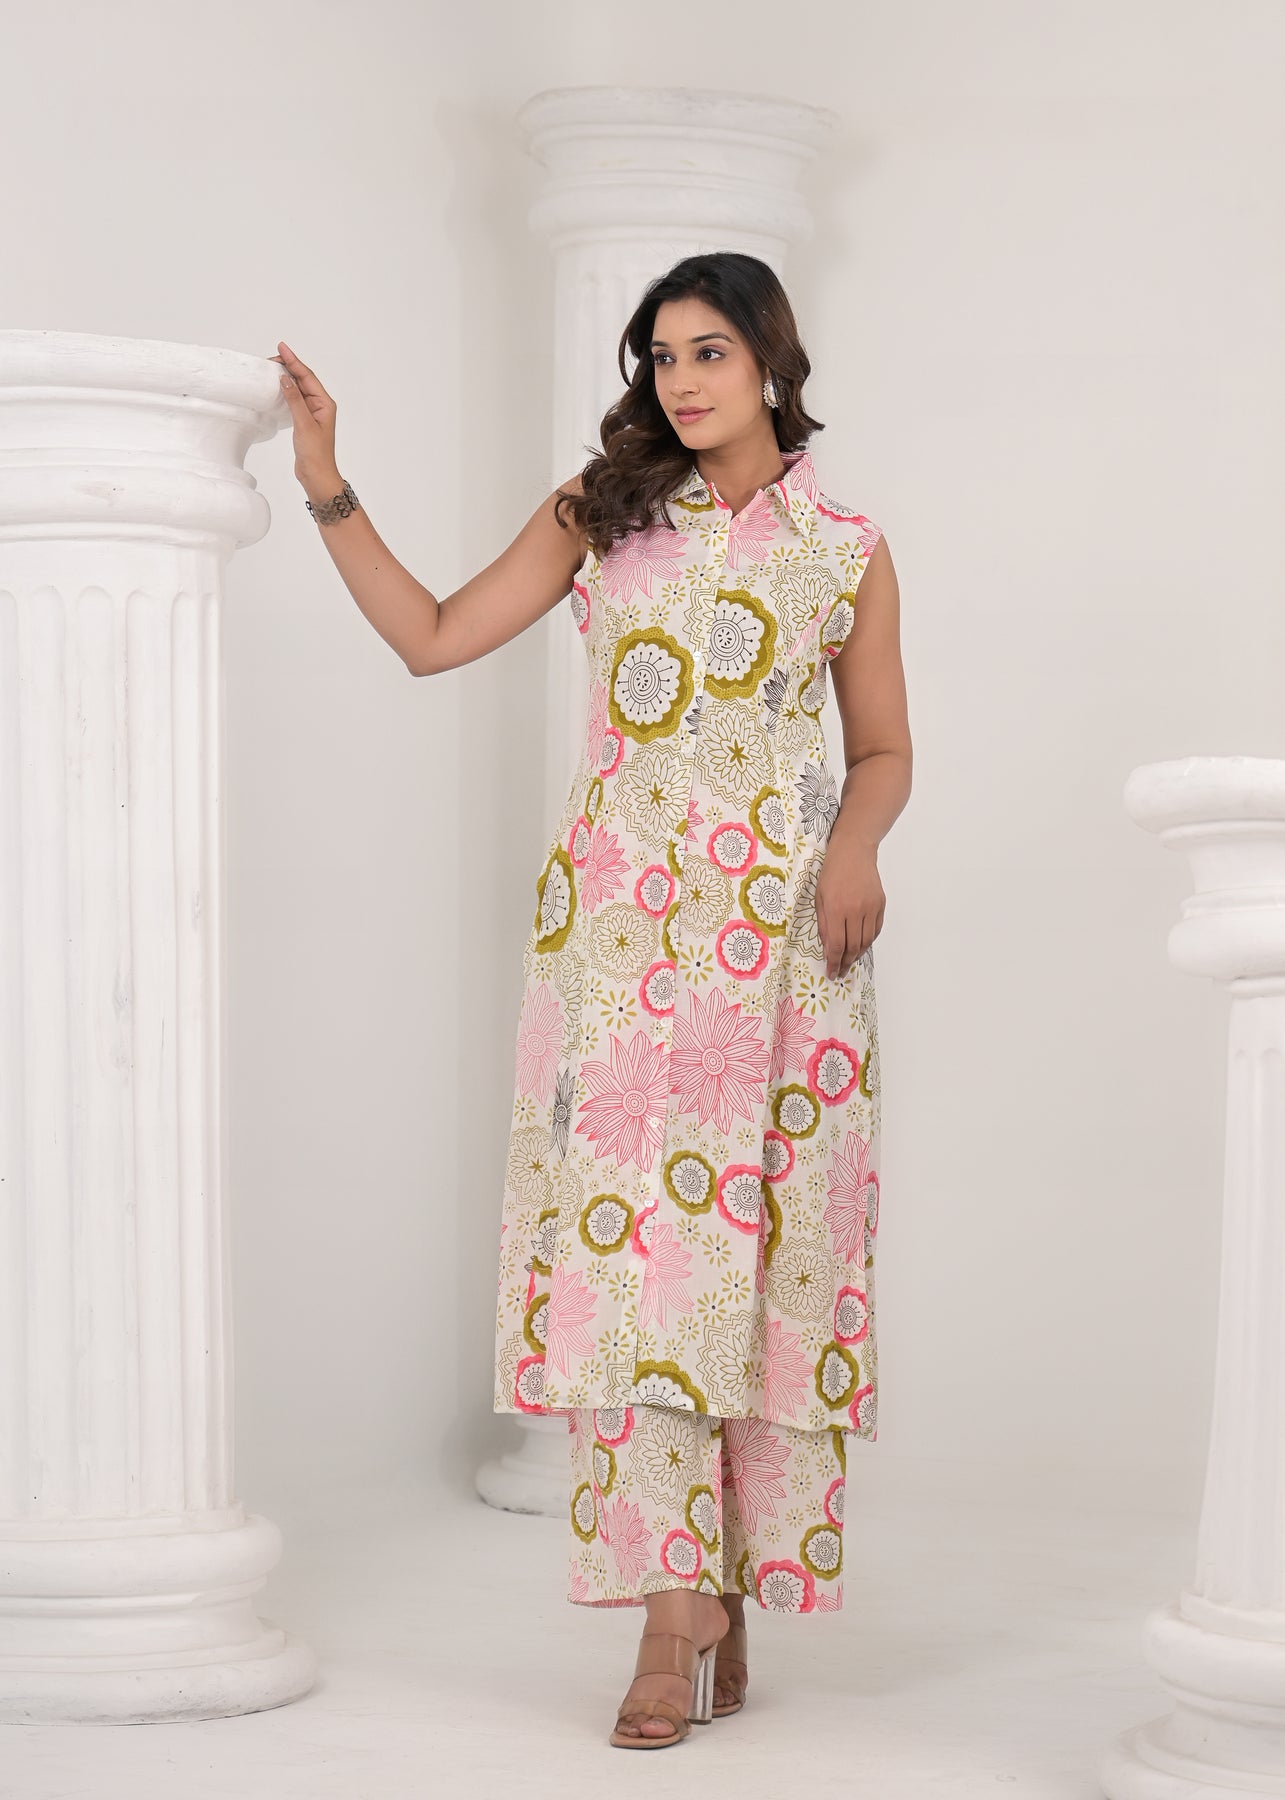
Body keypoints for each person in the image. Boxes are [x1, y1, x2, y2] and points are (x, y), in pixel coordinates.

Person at [273, 249, 911, 1750]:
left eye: (708, 352)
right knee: (637, 1268)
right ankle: (669, 1613)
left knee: (767, 1256)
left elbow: (883, 747)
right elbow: (432, 636)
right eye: (659, 357)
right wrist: (326, 482)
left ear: (772, 361)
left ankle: (728, 1579)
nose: (679, 382)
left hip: (786, 955)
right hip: (621, 952)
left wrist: (856, 851)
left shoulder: (846, 546)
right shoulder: (602, 514)